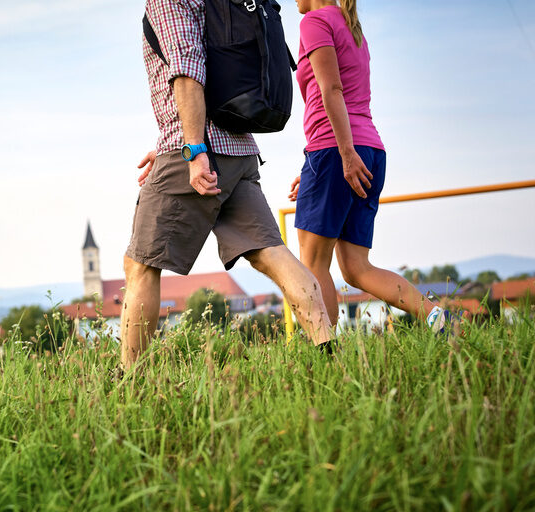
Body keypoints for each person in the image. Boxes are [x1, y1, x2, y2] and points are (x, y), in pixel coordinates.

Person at [122, 0, 335, 368]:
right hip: (238, 148)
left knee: (141, 265)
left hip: (196, 150)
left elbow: (188, 70)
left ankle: (127, 379)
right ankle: (330, 353)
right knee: (271, 252)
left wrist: (192, 149)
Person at [288, 0, 457, 333]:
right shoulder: (352, 28)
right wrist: (336, 158)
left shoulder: (314, 22)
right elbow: (347, 96)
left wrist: (342, 154)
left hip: (338, 151)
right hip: (368, 150)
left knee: (312, 264)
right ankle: (440, 320)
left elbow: (331, 89)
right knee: (356, 268)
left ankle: (327, 357)